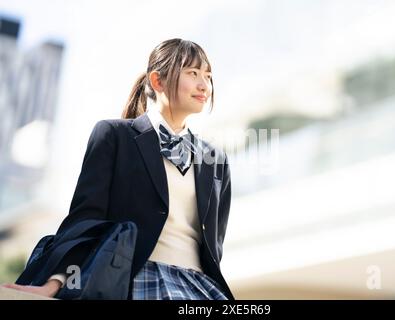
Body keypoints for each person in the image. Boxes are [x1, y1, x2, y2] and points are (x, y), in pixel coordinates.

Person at [2, 38, 234, 300]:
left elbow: (214, 247)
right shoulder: (114, 135)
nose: (205, 85)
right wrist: (57, 281)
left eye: (208, 75)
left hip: (200, 289)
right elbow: (85, 220)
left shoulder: (216, 160)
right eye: (193, 73)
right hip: (134, 281)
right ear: (157, 81)